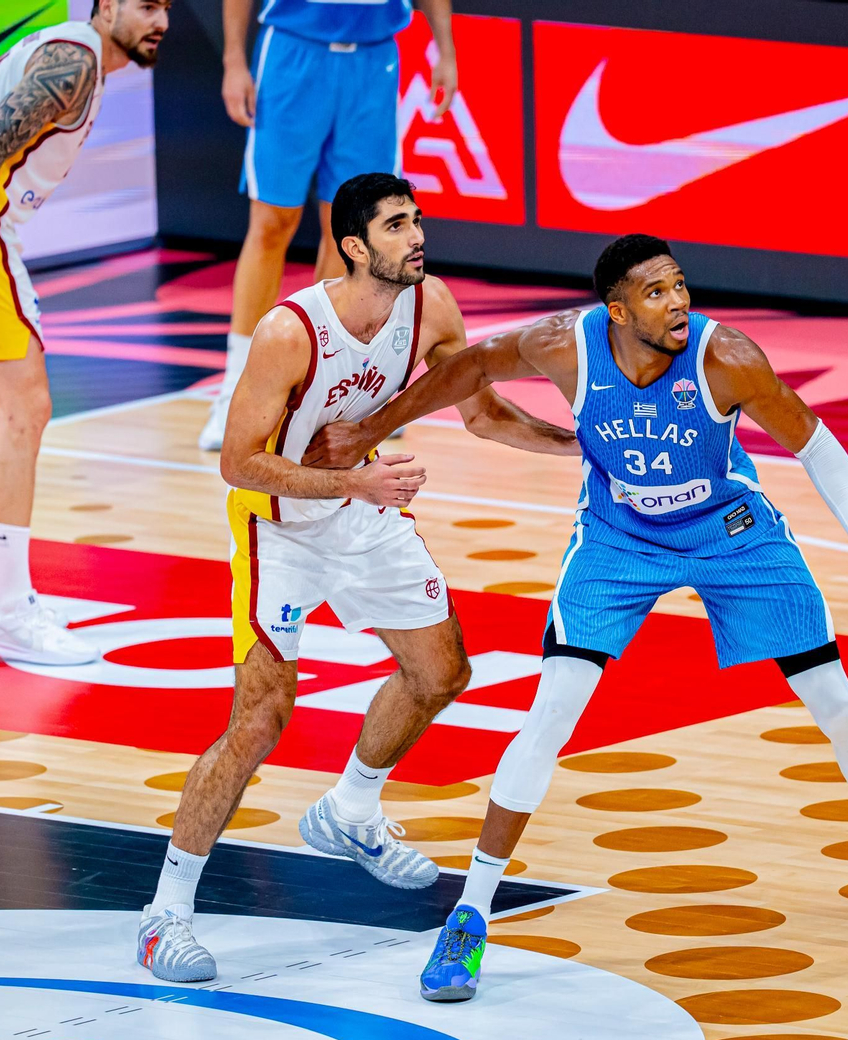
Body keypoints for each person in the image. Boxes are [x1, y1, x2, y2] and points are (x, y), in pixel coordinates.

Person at [302, 234, 848, 1002]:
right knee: (550, 715)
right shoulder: (564, 344)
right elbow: (467, 368)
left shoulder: (727, 357)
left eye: (681, 286)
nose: (679, 304)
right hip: (619, 534)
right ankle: (471, 916)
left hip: (731, 529)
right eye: (657, 294)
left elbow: (816, 443)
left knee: (835, 700)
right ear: (617, 311)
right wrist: (369, 429)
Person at [136, 174, 576, 984]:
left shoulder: (431, 306)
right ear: (351, 245)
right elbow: (239, 465)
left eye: (417, 220)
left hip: (361, 506)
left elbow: (481, 411)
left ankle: (351, 808)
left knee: (441, 671)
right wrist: (351, 483)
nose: (417, 236)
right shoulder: (289, 331)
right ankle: (165, 915)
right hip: (279, 525)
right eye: (397, 224)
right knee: (260, 719)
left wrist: (578, 443)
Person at [0, 0, 169, 666]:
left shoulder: (77, 57)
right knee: (27, 406)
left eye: (167, 6)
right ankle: (11, 611)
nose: (159, 19)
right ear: (106, 7)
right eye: (145, 5)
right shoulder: (72, 62)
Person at [197, 0, 459, 451]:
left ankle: (338, 391)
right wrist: (234, 60)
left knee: (350, 235)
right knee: (271, 224)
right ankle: (235, 393)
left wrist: (446, 50)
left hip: (374, 58)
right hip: (294, 53)